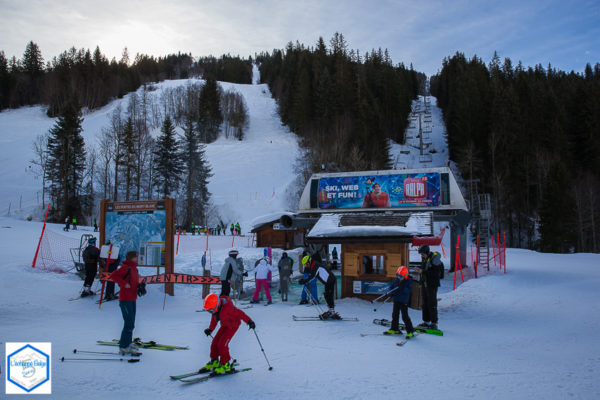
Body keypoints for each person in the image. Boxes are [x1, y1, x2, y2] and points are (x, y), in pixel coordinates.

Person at [202, 293, 255, 374]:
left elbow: (240, 313)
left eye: (211, 310)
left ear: (216, 305)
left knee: (222, 344)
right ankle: (214, 361)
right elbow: (214, 319)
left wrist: (249, 321)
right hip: (224, 325)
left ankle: (225, 365)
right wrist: (210, 329)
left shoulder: (228, 308)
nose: (210, 312)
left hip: (233, 326)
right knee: (214, 343)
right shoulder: (215, 310)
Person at [110, 250, 144, 355]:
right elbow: (113, 275)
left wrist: (141, 286)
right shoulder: (126, 268)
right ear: (131, 258)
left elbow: (134, 282)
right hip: (125, 299)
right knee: (128, 323)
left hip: (133, 298)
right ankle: (123, 347)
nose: (137, 258)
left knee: (131, 323)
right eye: (136, 256)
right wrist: (124, 284)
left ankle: (128, 343)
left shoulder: (135, 269)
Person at [415, 245, 443, 330]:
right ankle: (426, 321)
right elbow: (424, 270)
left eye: (423, 254)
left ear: (427, 252)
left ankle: (434, 323)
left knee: (432, 303)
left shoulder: (434, 259)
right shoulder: (425, 259)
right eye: (421, 254)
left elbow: (435, 273)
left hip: (432, 284)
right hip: (425, 283)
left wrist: (422, 271)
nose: (422, 256)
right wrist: (420, 270)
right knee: (424, 303)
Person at [383, 266, 416, 338]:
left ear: (405, 275)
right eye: (397, 275)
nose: (398, 277)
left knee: (405, 316)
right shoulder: (396, 280)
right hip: (396, 299)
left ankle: (410, 331)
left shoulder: (408, 281)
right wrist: (391, 292)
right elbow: (392, 287)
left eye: (400, 276)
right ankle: (394, 328)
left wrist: (402, 288)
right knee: (395, 314)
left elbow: (408, 291)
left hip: (403, 300)